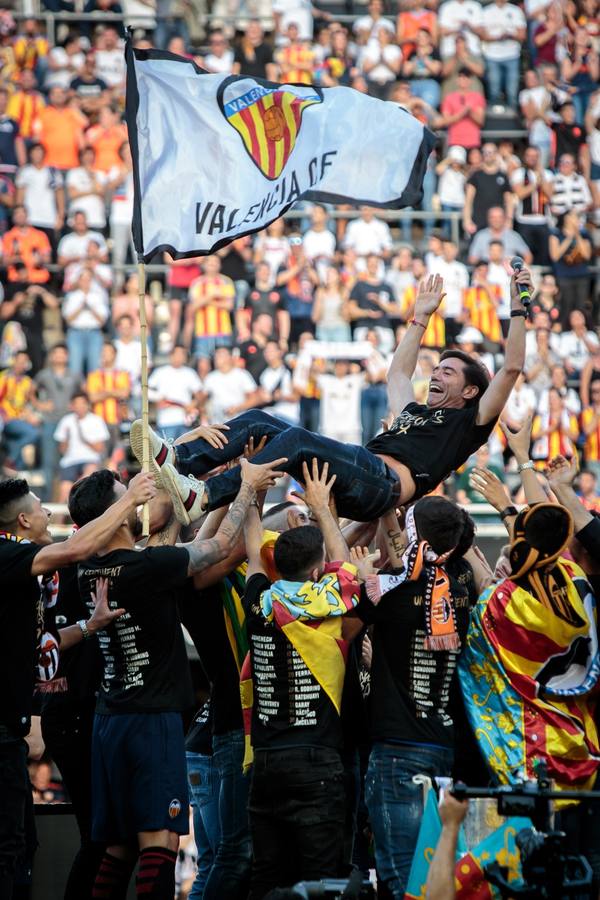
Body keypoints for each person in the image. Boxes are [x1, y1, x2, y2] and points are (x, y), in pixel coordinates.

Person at [130, 268, 529, 525]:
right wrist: (420, 318)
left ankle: (205, 497)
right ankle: (179, 461)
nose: (437, 373)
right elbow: (397, 373)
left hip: (381, 485)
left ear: (471, 390)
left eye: (448, 371)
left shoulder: (470, 422)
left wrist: (517, 307)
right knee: (258, 420)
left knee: (298, 439)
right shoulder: (415, 412)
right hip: (359, 473)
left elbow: (511, 368)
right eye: (439, 367)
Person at [70, 458, 283, 900]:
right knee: (159, 842)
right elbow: (220, 546)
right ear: (114, 514)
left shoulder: (87, 569)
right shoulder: (145, 567)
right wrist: (245, 489)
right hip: (152, 721)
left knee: (119, 847)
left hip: (108, 720)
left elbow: (166, 546)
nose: (137, 497)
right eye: (124, 494)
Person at [0, 471, 156, 900]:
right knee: (88, 839)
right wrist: (130, 502)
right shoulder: (20, 557)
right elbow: (80, 546)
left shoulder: (28, 571)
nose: (46, 510)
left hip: (29, 727)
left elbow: (43, 644)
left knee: (27, 844)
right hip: (46, 723)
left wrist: (91, 625)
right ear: (23, 522)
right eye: (38, 507)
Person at [242, 459, 361, 898]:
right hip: (317, 761)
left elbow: (254, 550)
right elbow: (344, 563)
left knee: (266, 877)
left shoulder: (260, 602)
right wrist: (322, 508)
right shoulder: (329, 600)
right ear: (316, 572)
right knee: (321, 880)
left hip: (267, 762)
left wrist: (251, 493)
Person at [357, 496, 476, 897]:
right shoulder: (461, 591)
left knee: (400, 878)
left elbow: (352, 604)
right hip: (442, 748)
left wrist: (358, 572)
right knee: (433, 875)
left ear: (415, 536)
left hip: (397, 755)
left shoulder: (391, 592)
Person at [54, 391, 110, 503]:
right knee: (64, 490)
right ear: (72, 406)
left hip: (90, 459)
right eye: (77, 404)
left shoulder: (96, 420)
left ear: (88, 405)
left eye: (82, 403)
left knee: (87, 477)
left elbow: (100, 448)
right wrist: (67, 439)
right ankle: (58, 520)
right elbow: (62, 451)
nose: (80, 407)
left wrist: (84, 438)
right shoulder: (66, 421)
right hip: (70, 461)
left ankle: (77, 500)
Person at [147, 345, 203, 442]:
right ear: (171, 355)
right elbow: (145, 391)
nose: (179, 357)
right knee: (168, 452)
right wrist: (158, 398)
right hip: (165, 421)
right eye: (176, 354)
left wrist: (193, 404)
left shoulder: (190, 373)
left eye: (182, 355)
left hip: (185, 420)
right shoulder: (160, 372)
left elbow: (199, 394)